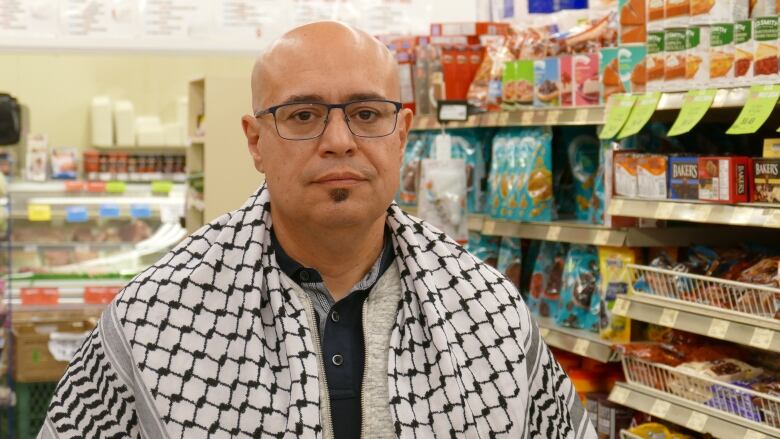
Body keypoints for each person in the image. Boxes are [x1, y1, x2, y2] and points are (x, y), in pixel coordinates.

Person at [40, 22, 596, 439]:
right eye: (303, 116)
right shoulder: (153, 318)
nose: (339, 140)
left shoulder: (489, 312)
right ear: (256, 141)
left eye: (367, 113)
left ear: (402, 133)